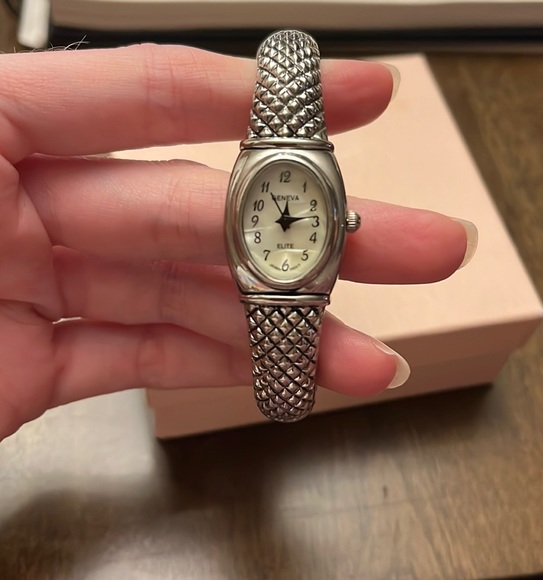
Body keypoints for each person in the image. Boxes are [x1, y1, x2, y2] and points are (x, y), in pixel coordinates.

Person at [0, 43, 477, 442]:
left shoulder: (287, 191)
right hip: (274, 278)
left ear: (343, 222)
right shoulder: (291, 199)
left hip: (285, 280)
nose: (286, 219)